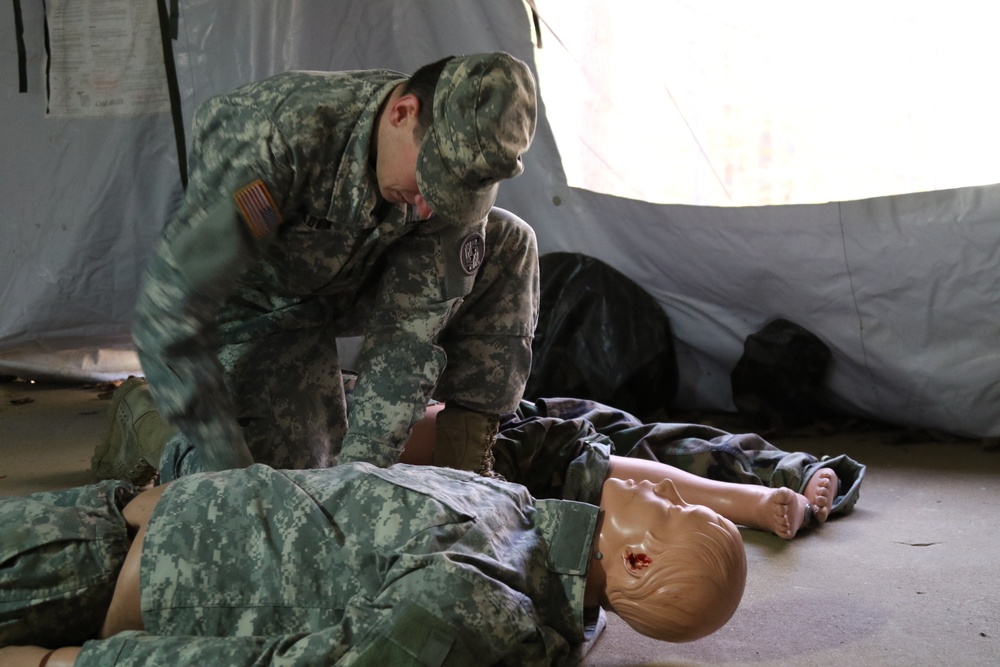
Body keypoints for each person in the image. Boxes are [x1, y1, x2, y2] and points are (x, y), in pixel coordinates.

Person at [94, 51, 540, 485]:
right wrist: (228, 468)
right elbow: (169, 312)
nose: (429, 208)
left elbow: (408, 338)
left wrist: (359, 476)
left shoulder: (450, 175)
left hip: (354, 283)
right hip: (260, 305)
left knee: (509, 241)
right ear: (403, 113)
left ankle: (463, 472)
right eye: (431, 181)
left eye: (453, 194)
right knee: (272, 486)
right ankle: (145, 416)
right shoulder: (275, 137)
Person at [0, 463, 747, 666]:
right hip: (112, 518)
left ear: (639, 556)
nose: (655, 485)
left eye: (668, 505)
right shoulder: (519, 514)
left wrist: (64, 665)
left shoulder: (479, 601)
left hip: (90, 569)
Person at [95, 379, 865, 540]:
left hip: (463, 445)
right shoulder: (184, 439)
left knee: (582, 432)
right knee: (576, 447)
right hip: (460, 457)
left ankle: (772, 478)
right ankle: (763, 488)